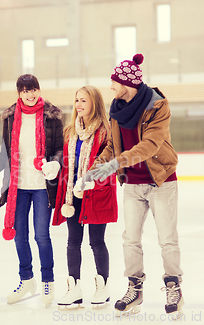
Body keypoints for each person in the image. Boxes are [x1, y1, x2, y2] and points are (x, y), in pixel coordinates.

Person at [84, 54, 183, 318]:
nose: (111, 87)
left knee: (167, 240)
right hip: (132, 183)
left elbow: (150, 145)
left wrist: (114, 164)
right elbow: (113, 145)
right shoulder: (117, 108)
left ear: (127, 83)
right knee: (130, 239)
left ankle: (173, 285)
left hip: (160, 180)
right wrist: (99, 163)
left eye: (114, 82)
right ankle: (134, 287)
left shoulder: (157, 106)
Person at [0, 74, 63, 307]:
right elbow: (5, 151)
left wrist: (55, 163)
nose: (30, 94)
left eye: (33, 89)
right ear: (19, 93)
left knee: (42, 237)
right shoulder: (9, 117)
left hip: (42, 187)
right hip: (18, 187)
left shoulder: (52, 116)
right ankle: (27, 280)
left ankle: (48, 281)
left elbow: (59, 149)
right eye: (25, 91)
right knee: (20, 237)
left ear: (38, 89)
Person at [52, 85, 118, 310]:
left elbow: (110, 162)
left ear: (94, 104)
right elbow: (66, 161)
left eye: (84, 101)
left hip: (96, 193)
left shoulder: (104, 131)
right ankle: (74, 288)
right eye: (77, 100)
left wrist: (91, 180)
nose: (79, 105)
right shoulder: (71, 131)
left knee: (97, 241)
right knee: (73, 241)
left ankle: (103, 286)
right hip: (73, 194)